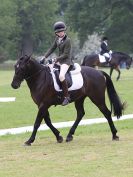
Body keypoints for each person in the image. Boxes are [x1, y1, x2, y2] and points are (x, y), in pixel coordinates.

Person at [40, 21, 73, 106]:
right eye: (58, 32)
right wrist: (44, 57)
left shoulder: (68, 40)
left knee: (61, 76)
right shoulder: (57, 39)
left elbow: (66, 54)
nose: (60, 33)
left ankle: (66, 97)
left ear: (64, 31)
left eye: (62, 31)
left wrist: (54, 59)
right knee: (48, 70)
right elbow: (52, 48)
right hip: (59, 61)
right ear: (56, 33)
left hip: (66, 61)